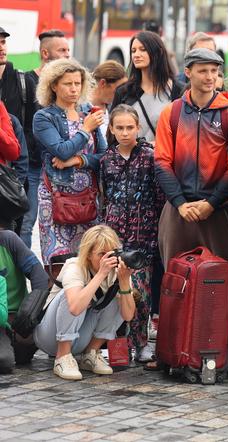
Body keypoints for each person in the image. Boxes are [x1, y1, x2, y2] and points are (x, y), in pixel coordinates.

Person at [154, 48, 228, 378]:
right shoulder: (172, 113)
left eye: (215, 72)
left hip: (219, 211)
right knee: (174, 281)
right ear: (189, 72)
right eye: (203, 71)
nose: (210, 78)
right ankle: (171, 348)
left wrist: (210, 202)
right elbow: (162, 162)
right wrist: (180, 203)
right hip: (178, 211)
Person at [99, 105, 164, 363]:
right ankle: (118, 343)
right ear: (112, 129)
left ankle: (142, 343)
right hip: (116, 233)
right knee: (115, 289)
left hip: (144, 233)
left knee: (142, 292)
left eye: (130, 127)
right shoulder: (106, 160)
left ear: (138, 128)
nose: (125, 133)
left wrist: (156, 229)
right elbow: (104, 196)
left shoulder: (150, 156)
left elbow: (159, 195)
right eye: (120, 128)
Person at [33, 225, 136, 381]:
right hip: (49, 336)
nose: (107, 259)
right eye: (102, 254)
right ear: (88, 254)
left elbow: (127, 316)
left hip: (80, 337)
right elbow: (74, 308)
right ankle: (63, 356)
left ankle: (91, 354)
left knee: (117, 295)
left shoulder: (119, 271)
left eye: (112, 253)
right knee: (71, 296)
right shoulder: (75, 266)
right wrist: (101, 274)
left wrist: (123, 282)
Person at [33, 58, 107, 265]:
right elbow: (61, 151)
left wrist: (78, 161)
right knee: (59, 263)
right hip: (57, 197)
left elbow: (104, 156)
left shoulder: (88, 113)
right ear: (54, 86)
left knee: (91, 260)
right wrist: (85, 130)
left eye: (77, 83)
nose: (74, 89)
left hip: (88, 199)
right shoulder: (44, 117)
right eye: (68, 83)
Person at [0, 27, 39, 247]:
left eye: (3, 42)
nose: (1, 47)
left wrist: (17, 180)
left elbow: (25, 140)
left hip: (10, 182)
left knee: (13, 242)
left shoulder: (23, 83)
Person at [110, 31, 184, 144]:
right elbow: (111, 136)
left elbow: (184, 133)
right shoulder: (124, 92)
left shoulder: (178, 90)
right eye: (133, 51)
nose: (136, 54)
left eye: (143, 49)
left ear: (157, 53)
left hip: (165, 159)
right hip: (131, 160)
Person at [0, 223, 49, 371]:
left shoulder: (8, 239)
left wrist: (30, 314)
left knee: (21, 351)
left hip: (15, 318)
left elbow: (39, 276)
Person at [90, 61, 128, 138]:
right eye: (119, 89)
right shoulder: (79, 108)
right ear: (103, 83)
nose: (122, 93)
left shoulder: (116, 108)